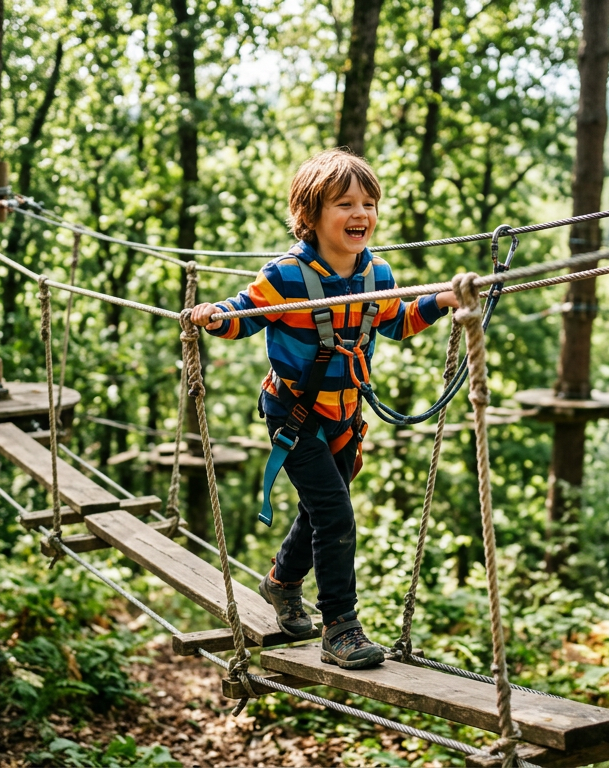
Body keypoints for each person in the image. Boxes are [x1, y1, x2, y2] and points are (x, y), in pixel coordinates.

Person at [190, 149, 459, 670]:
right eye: (344, 204)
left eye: (368, 203)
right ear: (310, 216)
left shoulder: (376, 272)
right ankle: (341, 626)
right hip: (294, 416)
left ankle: (281, 583)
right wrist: (212, 316)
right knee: (335, 514)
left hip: (345, 418)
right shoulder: (286, 277)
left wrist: (441, 301)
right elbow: (245, 315)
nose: (360, 214)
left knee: (319, 510)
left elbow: (396, 321)